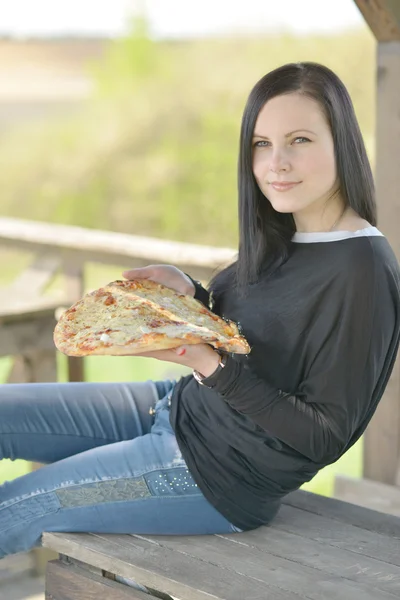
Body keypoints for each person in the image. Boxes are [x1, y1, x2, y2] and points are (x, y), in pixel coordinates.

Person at [1, 61, 399, 560]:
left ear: (342, 140)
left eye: (300, 140)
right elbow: (261, 335)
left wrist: (209, 365)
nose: (276, 163)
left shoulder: (362, 268)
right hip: (178, 408)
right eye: (261, 144)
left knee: (14, 507)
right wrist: (189, 292)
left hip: (215, 477)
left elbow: (323, 436)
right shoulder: (289, 231)